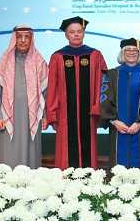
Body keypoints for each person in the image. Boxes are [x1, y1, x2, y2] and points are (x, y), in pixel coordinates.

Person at [46, 16, 107, 169]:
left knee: (89, 151)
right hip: (65, 115)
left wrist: (99, 107)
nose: (76, 35)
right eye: (72, 32)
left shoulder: (95, 55)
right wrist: (52, 113)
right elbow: (52, 87)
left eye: (79, 31)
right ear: (66, 35)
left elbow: (103, 83)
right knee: (66, 153)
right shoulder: (57, 57)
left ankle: (89, 181)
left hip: (89, 113)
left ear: (84, 33)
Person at [0, 25, 48, 168]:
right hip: (8, 116)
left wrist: (45, 116)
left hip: (32, 117)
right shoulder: (4, 62)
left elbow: (45, 93)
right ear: (14, 39)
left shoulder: (39, 62)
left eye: (26, 37)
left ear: (31, 39)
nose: (23, 40)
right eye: (19, 37)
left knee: (31, 154)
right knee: (8, 156)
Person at [100, 38, 140, 168]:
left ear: (139, 53)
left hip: (139, 129)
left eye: (135, 50)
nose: (131, 52)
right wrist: (114, 121)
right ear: (122, 52)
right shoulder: (111, 74)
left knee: (139, 165)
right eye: (128, 50)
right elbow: (104, 100)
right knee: (117, 166)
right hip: (117, 128)